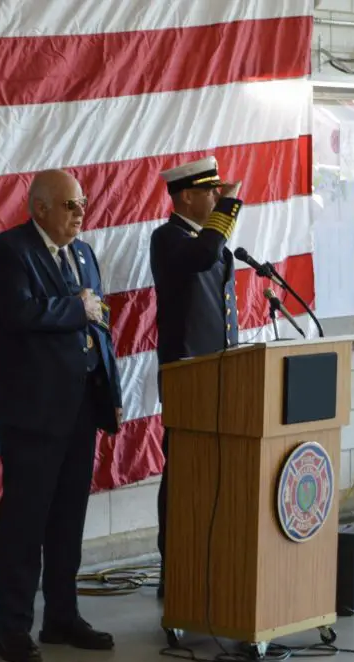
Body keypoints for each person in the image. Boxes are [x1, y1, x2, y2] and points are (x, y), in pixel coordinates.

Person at [0, 169, 125, 662]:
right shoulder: (9, 251)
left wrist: (111, 390)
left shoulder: (83, 253)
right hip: (31, 412)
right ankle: (12, 631)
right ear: (39, 207)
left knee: (67, 520)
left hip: (81, 406)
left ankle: (61, 616)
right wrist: (75, 307)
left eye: (82, 203)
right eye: (70, 205)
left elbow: (99, 326)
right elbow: (20, 313)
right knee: (25, 523)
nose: (80, 213)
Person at [149, 156, 245, 597]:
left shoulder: (209, 241)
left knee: (215, 471)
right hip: (188, 373)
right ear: (186, 195)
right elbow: (204, 254)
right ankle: (176, 567)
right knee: (184, 472)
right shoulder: (168, 238)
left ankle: (209, 558)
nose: (217, 197)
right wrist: (230, 206)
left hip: (219, 372)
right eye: (211, 192)